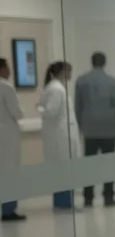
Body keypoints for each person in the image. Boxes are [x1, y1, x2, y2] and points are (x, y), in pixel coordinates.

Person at [74, 50, 115, 206]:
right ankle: (108, 196)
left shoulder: (81, 81)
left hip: (90, 128)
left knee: (89, 165)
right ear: (104, 63)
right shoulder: (112, 81)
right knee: (108, 164)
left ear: (92, 62)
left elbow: (78, 106)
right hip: (108, 127)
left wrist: (80, 125)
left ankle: (88, 197)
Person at [38, 61, 75, 210]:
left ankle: (63, 202)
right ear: (63, 72)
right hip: (61, 135)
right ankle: (64, 203)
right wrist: (40, 110)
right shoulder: (56, 89)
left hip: (61, 133)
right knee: (63, 169)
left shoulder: (57, 88)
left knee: (63, 169)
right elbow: (50, 111)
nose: (71, 74)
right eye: (69, 71)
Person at [0, 58, 24, 221]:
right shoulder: (6, 87)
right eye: (7, 68)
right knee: (9, 172)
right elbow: (17, 112)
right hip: (7, 134)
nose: (9, 71)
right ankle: (8, 210)